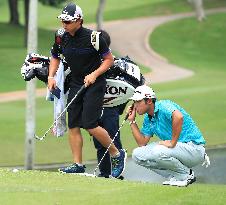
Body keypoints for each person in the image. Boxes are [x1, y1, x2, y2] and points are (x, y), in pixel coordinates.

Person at [48, 2, 126, 178]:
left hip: (95, 83)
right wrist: (51, 77)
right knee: (74, 124)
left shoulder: (95, 38)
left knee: (90, 125)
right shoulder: (61, 36)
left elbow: (109, 60)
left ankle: (116, 154)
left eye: (67, 22)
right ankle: (78, 164)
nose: (64, 25)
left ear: (79, 21)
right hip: (76, 82)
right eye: (62, 21)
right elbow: (54, 56)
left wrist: (94, 74)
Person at [127, 85, 210, 187]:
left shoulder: (164, 105)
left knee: (158, 151)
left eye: (138, 102)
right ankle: (175, 176)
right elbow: (142, 142)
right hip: (177, 151)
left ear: (149, 101)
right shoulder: (148, 119)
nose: (135, 105)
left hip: (193, 149)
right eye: (134, 102)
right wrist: (132, 121)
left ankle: (187, 175)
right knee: (137, 155)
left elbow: (178, 117)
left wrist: (172, 142)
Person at [92, 30, 125, 178]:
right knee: (100, 142)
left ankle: (117, 175)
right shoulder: (93, 60)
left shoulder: (113, 61)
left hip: (111, 107)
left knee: (113, 139)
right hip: (95, 106)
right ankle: (104, 173)